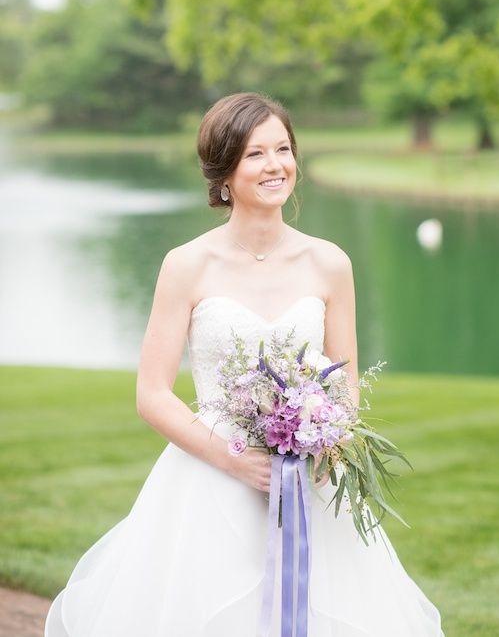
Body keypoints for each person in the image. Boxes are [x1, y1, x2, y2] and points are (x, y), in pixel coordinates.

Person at [45, 91, 445, 637]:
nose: (276, 165)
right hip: (209, 480)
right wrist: (233, 460)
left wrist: (328, 442)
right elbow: (152, 394)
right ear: (224, 172)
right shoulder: (185, 265)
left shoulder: (330, 262)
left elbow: (346, 380)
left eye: (283, 149)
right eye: (256, 154)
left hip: (310, 481)